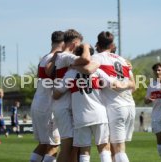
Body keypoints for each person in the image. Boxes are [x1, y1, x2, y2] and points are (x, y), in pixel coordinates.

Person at [77, 31, 136, 162]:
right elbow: (134, 86)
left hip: (115, 106)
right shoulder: (123, 60)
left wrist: (73, 65)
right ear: (112, 45)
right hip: (130, 105)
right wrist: (122, 85)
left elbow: (88, 69)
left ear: (97, 44)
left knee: (119, 149)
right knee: (117, 148)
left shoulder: (97, 58)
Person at [51, 29, 91, 162]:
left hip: (64, 105)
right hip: (63, 107)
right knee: (67, 147)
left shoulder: (62, 57)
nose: (80, 47)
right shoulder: (66, 56)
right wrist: (86, 47)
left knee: (74, 146)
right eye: (79, 45)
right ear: (74, 44)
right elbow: (86, 59)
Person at [29, 30, 64, 162]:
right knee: (54, 146)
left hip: (38, 104)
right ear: (63, 43)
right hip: (48, 107)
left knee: (44, 144)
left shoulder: (44, 57)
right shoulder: (56, 59)